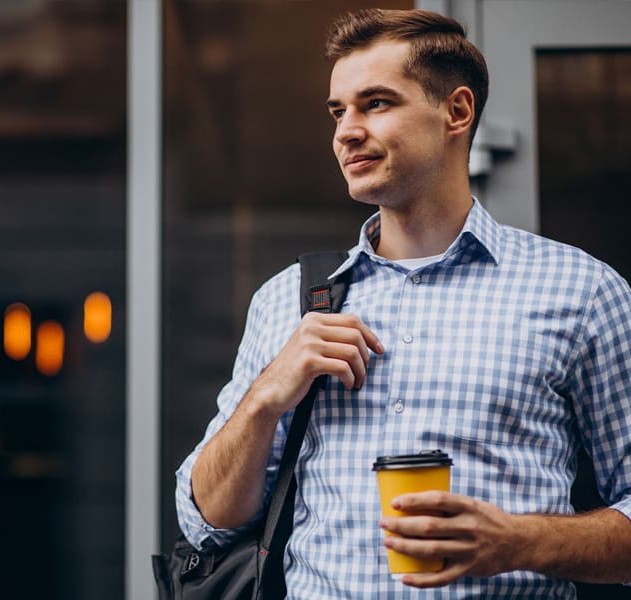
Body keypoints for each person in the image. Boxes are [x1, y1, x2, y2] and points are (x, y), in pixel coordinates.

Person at [175, 8, 631, 598]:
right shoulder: (288, 301)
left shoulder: (582, 291)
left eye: (377, 103)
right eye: (339, 111)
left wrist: (517, 541)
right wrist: (265, 397)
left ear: (457, 112)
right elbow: (204, 522)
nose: (346, 130)